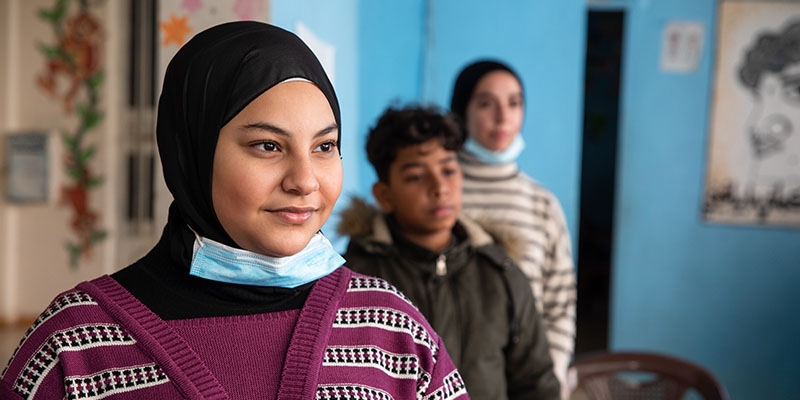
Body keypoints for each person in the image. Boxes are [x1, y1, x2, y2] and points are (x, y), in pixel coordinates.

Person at [1, 22, 468, 400]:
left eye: (325, 146)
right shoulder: (73, 346)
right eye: (268, 146)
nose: (305, 180)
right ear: (194, 155)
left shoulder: (392, 331)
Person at [338, 104, 561, 400]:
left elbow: (536, 383)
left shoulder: (501, 274)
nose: (440, 187)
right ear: (384, 195)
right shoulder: (356, 280)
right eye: (417, 176)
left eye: (448, 170)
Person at [449, 59, 576, 398]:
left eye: (514, 103)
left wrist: (552, 375)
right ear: (462, 111)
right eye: (486, 103)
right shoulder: (442, 195)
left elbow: (560, 300)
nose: (503, 117)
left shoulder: (542, 203)